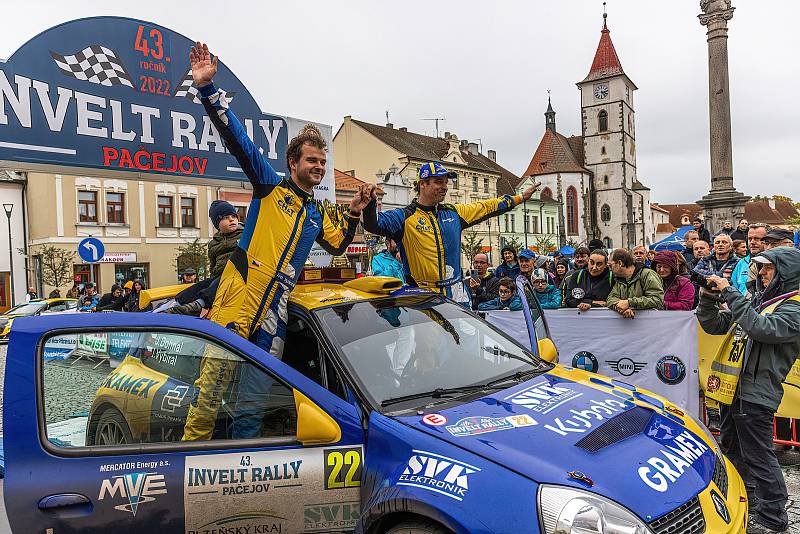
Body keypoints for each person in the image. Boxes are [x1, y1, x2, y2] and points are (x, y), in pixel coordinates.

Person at [183, 42, 369, 441]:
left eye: (322, 162)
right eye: (311, 161)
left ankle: (239, 467)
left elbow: (338, 245)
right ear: (293, 163)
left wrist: (354, 210)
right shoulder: (269, 187)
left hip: (276, 311)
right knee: (208, 397)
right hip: (238, 295)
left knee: (253, 403)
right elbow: (238, 140)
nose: (318, 168)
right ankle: (185, 478)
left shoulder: (316, 213)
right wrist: (207, 89)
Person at [697, 247, 800, 534]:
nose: (762, 274)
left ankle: (773, 519)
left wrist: (731, 292)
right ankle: (747, 502)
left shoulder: (794, 306)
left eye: (768, 268)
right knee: (733, 449)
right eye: (760, 268)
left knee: (760, 456)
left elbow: (761, 329)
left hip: (758, 391)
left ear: (786, 272)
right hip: (734, 390)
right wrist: (708, 298)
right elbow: (715, 324)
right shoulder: (761, 300)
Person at [362, 160, 539, 307]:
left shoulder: (453, 213)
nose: (445, 187)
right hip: (423, 297)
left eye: (446, 182)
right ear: (422, 184)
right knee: (430, 349)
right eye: (439, 182)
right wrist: (370, 204)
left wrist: (520, 198)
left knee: (463, 346)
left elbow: (487, 206)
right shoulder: (404, 216)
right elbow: (374, 224)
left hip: (456, 295)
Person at [606, 248, 665, 318]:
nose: (609, 269)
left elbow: (657, 299)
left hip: (650, 324)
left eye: (610, 265)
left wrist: (629, 303)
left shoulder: (648, 274)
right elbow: (610, 299)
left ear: (620, 263)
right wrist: (622, 308)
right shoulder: (620, 280)